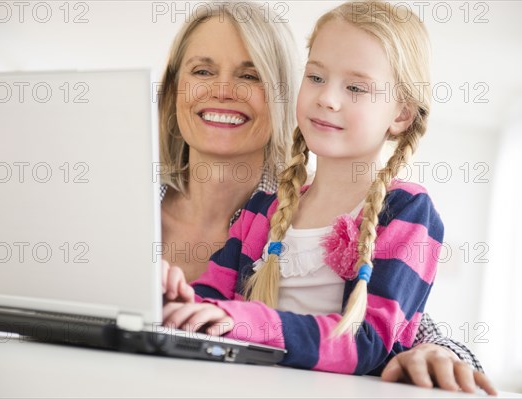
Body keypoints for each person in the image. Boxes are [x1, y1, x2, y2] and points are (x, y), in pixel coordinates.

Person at [159, 1, 495, 394]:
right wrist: (169, 297)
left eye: (355, 87)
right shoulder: (264, 212)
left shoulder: (406, 211)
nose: (328, 99)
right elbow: (207, 304)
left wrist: (244, 320)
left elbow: (372, 342)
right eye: (316, 77)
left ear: (401, 115)